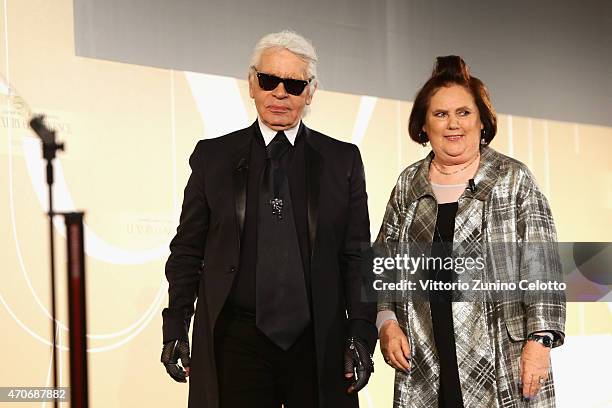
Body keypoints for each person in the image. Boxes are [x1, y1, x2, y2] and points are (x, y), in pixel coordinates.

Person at [160, 30, 377, 408]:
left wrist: (360, 333)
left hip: (317, 343)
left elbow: (357, 257)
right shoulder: (213, 158)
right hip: (235, 341)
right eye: (269, 80)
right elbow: (187, 251)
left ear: (309, 92)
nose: (280, 92)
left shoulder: (342, 161)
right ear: (251, 84)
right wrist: (175, 326)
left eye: (293, 84)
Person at [376, 56, 565, 407]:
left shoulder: (512, 179)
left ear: (482, 121)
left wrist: (540, 341)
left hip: (502, 362)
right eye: (440, 114)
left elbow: (544, 268)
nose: (453, 125)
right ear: (424, 126)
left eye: (463, 113)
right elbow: (384, 261)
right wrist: (386, 322)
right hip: (425, 361)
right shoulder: (409, 184)